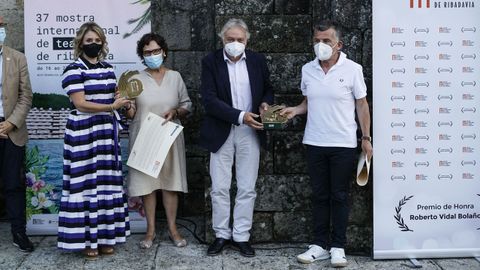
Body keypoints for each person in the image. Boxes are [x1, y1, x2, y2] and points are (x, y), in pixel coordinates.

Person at [281, 21, 372, 268]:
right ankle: (319, 245)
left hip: (343, 143)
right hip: (314, 142)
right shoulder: (307, 69)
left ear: (338, 44)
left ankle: (338, 247)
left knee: (339, 196)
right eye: (317, 41)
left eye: (326, 41)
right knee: (320, 195)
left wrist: (366, 138)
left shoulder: (353, 69)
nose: (320, 45)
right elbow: (308, 102)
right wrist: (294, 111)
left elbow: (361, 105)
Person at [199, 18, 273, 257]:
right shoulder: (210, 61)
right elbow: (209, 100)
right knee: (219, 187)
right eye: (230, 39)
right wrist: (241, 116)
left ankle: (241, 236)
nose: (235, 43)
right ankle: (222, 234)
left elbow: (268, 88)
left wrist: (264, 104)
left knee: (247, 186)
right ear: (222, 39)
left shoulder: (257, 60)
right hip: (221, 130)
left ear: (247, 40)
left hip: (250, 131)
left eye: (239, 39)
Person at [57, 22, 131, 259]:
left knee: (106, 184)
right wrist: (111, 105)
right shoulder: (73, 69)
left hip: (106, 134)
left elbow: (116, 99)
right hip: (83, 134)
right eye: (88, 41)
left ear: (103, 42)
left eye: (97, 40)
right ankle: (87, 241)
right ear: (80, 43)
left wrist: (124, 101)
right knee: (86, 185)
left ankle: (106, 237)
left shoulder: (109, 69)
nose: (93, 44)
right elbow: (80, 103)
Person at [124, 33, 192, 249]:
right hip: (144, 139)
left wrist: (176, 111)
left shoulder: (176, 77)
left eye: (155, 51)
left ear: (163, 51)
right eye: (147, 53)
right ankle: (150, 230)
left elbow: (187, 105)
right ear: (142, 56)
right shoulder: (135, 79)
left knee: (170, 185)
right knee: (148, 187)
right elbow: (131, 113)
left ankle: (173, 229)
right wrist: (127, 106)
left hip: (169, 138)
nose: (152, 55)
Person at [0, 16, 34, 252]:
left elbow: (26, 95)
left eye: (0, 26)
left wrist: (11, 123)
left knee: (13, 184)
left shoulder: (17, 57)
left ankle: (18, 233)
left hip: (12, 130)